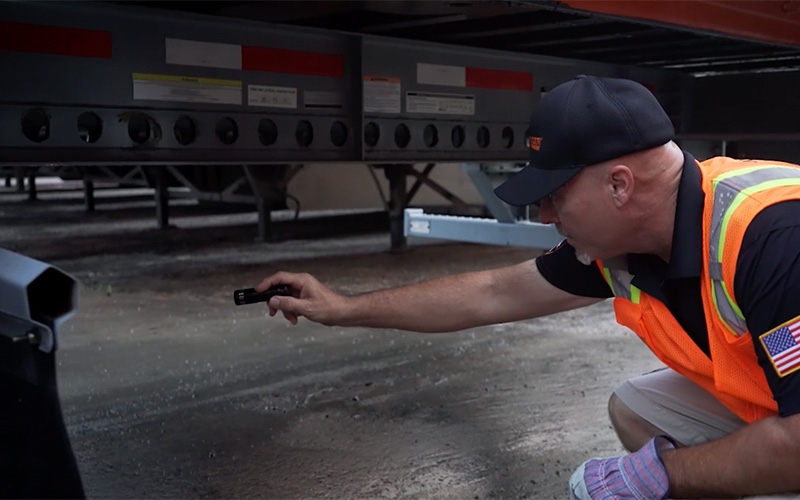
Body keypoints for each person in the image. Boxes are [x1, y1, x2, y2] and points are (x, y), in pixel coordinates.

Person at [254, 75, 800, 499]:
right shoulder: (628, 241)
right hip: (779, 405)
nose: (542, 215)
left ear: (619, 185)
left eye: (555, 194)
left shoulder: (770, 241)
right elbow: (494, 292)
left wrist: (664, 475)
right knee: (636, 409)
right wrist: (343, 307)